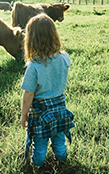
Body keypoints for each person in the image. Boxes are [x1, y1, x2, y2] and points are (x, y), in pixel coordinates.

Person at [20, 13, 75, 168]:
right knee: (59, 139)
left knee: (40, 143)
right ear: (54, 35)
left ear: (31, 39)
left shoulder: (34, 66)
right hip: (59, 107)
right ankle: (63, 160)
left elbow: (28, 95)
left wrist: (24, 115)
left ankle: (36, 166)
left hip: (40, 111)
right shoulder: (64, 57)